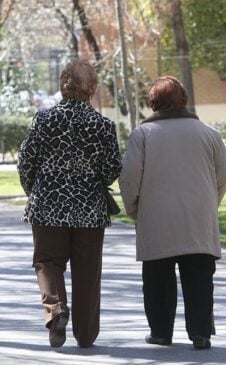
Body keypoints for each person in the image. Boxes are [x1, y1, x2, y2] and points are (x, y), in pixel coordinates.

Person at [119, 76, 226, 349]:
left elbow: (129, 176)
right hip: (198, 216)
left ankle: (160, 331)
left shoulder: (142, 135)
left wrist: (134, 208)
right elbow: (225, 172)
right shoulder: (208, 133)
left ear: (153, 103)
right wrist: (210, 201)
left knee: (157, 278)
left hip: (157, 216)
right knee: (200, 278)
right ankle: (201, 332)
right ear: (184, 100)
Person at [17, 60, 122, 348]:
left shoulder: (44, 120)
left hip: (48, 204)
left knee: (48, 262)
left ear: (63, 84)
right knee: (88, 270)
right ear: (92, 87)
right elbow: (113, 167)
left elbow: (26, 161)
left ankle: (56, 311)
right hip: (89, 209)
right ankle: (86, 335)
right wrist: (92, 179)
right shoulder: (103, 125)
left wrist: (34, 190)